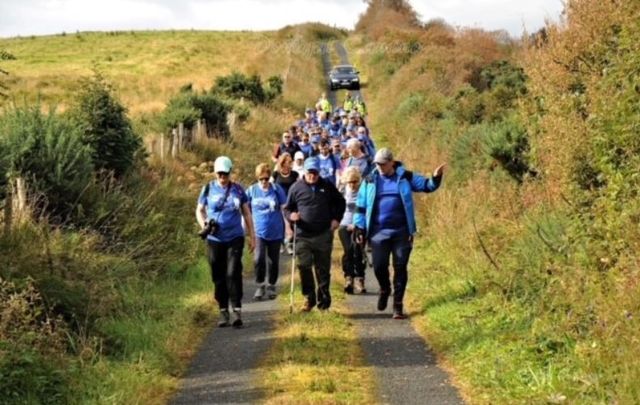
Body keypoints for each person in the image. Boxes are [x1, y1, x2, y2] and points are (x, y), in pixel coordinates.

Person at [353, 148, 445, 319]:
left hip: (402, 232)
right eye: (377, 164)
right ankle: (385, 288)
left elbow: (427, 186)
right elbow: (361, 205)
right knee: (380, 267)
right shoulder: (370, 180)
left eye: (382, 164)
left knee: (400, 267)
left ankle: (398, 305)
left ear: (391, 163)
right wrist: (359, 227)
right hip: (378, 232)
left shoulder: (406, 177)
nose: (379, 167)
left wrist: (436, 177)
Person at [196, 156, 256, 328]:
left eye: (225, 174)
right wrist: (205, 224)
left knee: (233, 272)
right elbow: (199, 210)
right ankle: (223, 310)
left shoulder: (238, 189)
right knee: (218, 275)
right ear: (215, 173)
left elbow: (247, 213)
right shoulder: (208, 189)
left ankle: (236, 309)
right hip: (215, 239)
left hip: (235, 237)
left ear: (230, 172)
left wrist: (252, 236)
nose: (222, 177)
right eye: (220, 174)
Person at [284, 157, 346, 311]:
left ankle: (324, 302)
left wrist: (336, 219)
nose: (312, 176)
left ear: (319, 172)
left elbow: (341, 202)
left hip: (323, 234)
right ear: (304, 172)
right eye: (310, 172)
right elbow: (287, 208)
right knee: (304, 266)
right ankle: (309, 298)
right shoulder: (296, 187)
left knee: (322, 269)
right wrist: (291, 216)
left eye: (315, 173)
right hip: (303, 235)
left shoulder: (327, 185)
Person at [246, 163, 288, 300]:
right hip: (258, 231)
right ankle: (260, 285)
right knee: (258, 259)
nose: (264, 181)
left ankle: (271, 285)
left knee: (273, 261)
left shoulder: (276, 189)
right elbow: (245, 211)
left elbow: (284, 209)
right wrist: (246, 231)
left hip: (275, 231)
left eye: (266, 178)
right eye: (261, 179)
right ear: (257, 178)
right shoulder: (251, 191)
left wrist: (288, 228)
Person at [338, 166, 366, 294]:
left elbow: (367, 209)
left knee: (358, 251)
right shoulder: (343, 190)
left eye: (355, 181)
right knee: (348, 250)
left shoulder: (363, 191)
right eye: (350, 182)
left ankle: (360, 278)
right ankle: (348, 278)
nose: (352, 184)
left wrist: (357, 224)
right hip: (344, 224)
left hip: (359, 225)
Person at [271, 153, 299, 254]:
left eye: (291, 162)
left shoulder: (295, 174)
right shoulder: (276, 174)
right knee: (281, 224)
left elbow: (299, 186)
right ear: (282, 162)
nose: (290, 163)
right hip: (279, 202)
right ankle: (281, 244)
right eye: (288, 161)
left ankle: (289, 244)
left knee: (291, 224)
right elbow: (270, 186)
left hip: (291, 202)